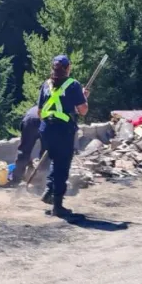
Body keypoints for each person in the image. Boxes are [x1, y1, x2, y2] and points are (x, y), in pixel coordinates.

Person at [38, 55, 89, 218]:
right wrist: (84, 97)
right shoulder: (73, 85)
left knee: (56, 161)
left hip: (46, 129)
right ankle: (57, 206)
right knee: (63, 166)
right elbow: (83, 110)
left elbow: (40, 112)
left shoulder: (46, 84)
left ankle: (49, 191)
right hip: (63, 130)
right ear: (67, 68)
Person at [11, 106, 42, 184]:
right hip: (43, 121)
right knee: (47, 152)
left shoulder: (39, 106)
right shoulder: (64, 110)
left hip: (29, 121)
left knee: (24, 150)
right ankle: (42, 179)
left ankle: (16, 180)